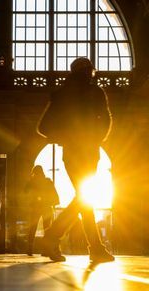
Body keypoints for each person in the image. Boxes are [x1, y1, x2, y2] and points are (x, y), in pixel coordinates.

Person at [37, 56, 115, 263]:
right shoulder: (95, 92)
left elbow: (43, 127)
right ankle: (53, 235)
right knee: (83, 199)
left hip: (70, 154)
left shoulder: (61, 94)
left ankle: (95, 247)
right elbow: (106, 120)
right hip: (89, 152)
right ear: (90, 72)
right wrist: (96, 138)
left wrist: (63, 137)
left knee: (84, 199)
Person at [24, 165, 59, 256]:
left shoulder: (32, 182)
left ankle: (30, 249)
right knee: (47, 228)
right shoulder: (47, 181)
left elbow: (25, 192)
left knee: (33, 228)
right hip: (46, 207)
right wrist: (55, 203)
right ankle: (46, 250)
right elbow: (53, 193)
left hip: (36, 207)